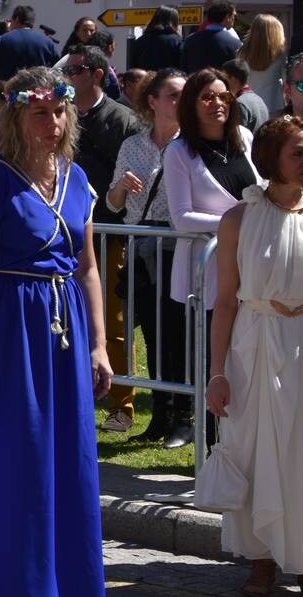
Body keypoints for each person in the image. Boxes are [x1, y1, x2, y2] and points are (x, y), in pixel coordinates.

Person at [0, 66, 123, 597]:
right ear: (15, 117)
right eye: (40, 113)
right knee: (13, 469)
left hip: (65, 331)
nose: (53, 123)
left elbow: (88, 266)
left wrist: (100, 343)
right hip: (7, 331)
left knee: (70, 468)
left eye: (59, 112)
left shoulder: (78, 181)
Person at [205, 116, 303, 597]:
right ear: (271, 158)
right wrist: (217, 372)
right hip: (256, 340)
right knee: (258, 446)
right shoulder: (238, 219)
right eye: (297, 153)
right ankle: (261, 560)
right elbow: (224, 300)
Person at [163, 68, 259, 449]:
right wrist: (237, 221)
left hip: (251, 271)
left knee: (247, 362)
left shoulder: (246, 140)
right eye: (207, 97)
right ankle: (214, 456)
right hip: (206, 279)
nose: (217, 103)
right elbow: (181, 216)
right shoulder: (178, 151)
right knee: (212, 368)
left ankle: (244, 449)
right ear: (192, 104)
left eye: (223, 96)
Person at [107, 68, 192, 446]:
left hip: (180, 249)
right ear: (152, 101)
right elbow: (111, 204)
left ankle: (184, 417)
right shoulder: (132, 145)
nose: (179, 102)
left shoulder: (192, 145)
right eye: (172, 95)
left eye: (183, 95)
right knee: (153, 335)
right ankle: (159, 413)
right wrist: (122, 187)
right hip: (140, 247)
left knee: (180, 333)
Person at [64, 45, 143, 434]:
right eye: (68, 68)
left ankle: (123, 404)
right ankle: (77, 391)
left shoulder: (121, 119)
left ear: (97, 74)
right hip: (65, 230)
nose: (69, 75)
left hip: (108, 232)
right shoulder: (62, 116)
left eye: (77, 69)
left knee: (111, 322)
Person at [0, 5, 58, 83]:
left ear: (16, 19)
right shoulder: (48, 43)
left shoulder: (0, 41)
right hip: (39, 93)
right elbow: (57, 71)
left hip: (8, 94)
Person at [239, 14, 287, 113]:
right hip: (274, 105)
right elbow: (286, 80)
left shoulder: (241, 53)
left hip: (248, 104)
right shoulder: (280, 55)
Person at [182, 0, 241, 74]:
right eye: (233, 15)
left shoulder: (190, 40)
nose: (234, 19)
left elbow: (184, 69)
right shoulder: (234, 43)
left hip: (195, 84)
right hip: (221, 84)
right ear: (227, 17)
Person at [128, 5, 185, 72]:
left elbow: (132, 68)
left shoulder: (140, 41)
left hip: (145, 80)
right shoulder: (177, 41)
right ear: (174, 21)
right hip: (168, 80)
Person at [222, 58, 269, 132]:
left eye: (225, 78)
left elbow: (238, 136)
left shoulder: (240, 104)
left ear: (234, 79)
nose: (223, 82)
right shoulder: (259, 99)